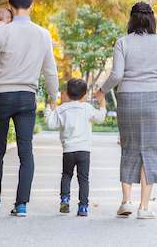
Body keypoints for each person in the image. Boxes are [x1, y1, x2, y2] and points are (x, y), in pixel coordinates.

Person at [94, 1, 157, 219]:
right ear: (152, 19)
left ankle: (125, 202)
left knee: (129, 148)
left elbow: (117, 75)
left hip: (128, 98)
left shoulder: (122, 42)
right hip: (154, 99)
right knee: (151, 149)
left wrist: (101, 91)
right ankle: (144, 207)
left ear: (131, 19)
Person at [0, 0, 59, 217]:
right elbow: (50, 72)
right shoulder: (43, 34)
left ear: (10, 7)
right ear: (32, 6)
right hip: (27, 97)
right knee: (26, 151)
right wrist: (53, 99)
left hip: (1, 96)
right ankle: (21, 204)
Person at [44, 78, 107, 217]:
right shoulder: (87, 108)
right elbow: (101, 117)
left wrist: (49, 107)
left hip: (68, 151)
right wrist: (102, 102)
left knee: (67, 175)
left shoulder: (61, 109)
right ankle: (83, 207)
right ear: (85, 96)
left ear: (66, 93)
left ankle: (65, 199)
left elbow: (50, 124)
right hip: (84, 150)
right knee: (83, 179)